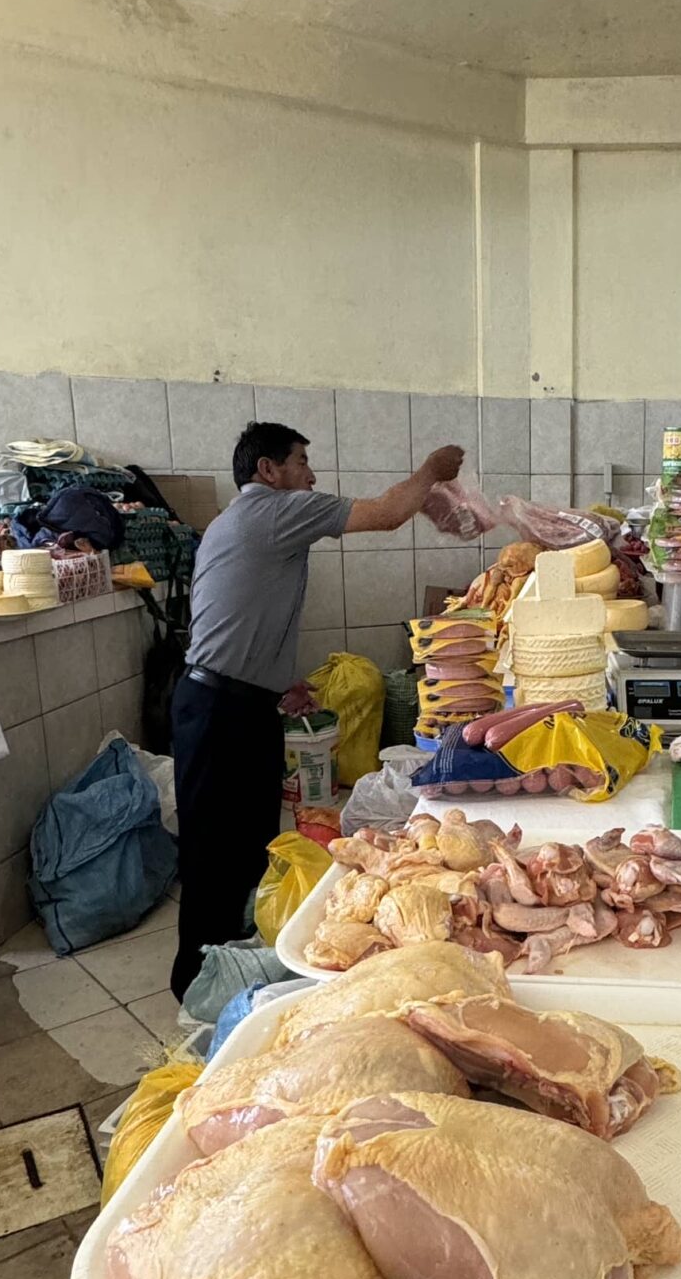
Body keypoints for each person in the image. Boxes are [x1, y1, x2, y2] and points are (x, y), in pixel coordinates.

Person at [170, 420, 465, 999]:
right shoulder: (273, 510)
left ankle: (242, 960)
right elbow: (386, 513)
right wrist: (432, 471)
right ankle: (196, 981)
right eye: (301, 461)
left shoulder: (246, 521)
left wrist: (277, 683)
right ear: (268, 470)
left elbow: (242, 612)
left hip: (235, 700)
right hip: (216, 707)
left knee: (253, 843)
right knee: (213, 849)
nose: (311, 474)